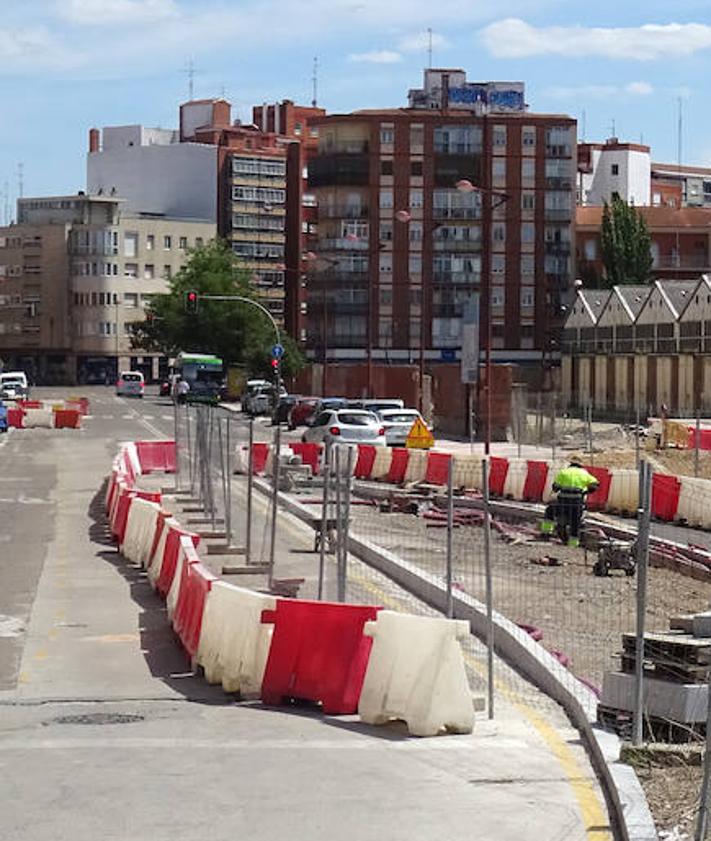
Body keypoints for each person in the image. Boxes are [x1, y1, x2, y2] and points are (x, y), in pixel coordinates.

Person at [540, 455, 599, 547]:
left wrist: (557, 489)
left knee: (549, 511)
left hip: (563, 504)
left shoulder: (564, 472)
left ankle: (546, 533)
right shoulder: (584, 473)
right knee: (576, 523)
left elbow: (555, 487)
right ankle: (573, 544)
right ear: (580, 465)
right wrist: (586, 492)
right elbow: (595, 484)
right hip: (577, 504)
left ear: (570, 464)